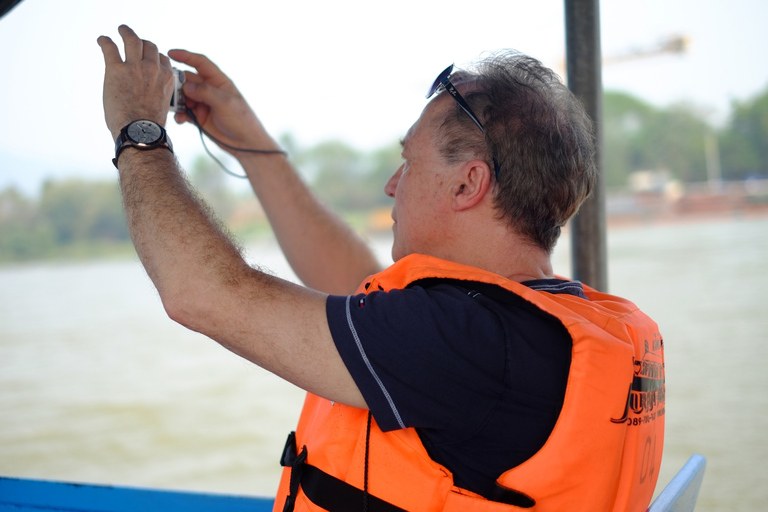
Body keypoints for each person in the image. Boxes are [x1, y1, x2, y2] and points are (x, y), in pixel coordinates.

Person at [98, 25, 665, 512]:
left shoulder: (464, 343)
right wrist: (250, 142)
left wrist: (137, 130)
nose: (392, 185)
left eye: (407, 162)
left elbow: (200, 294)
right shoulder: (523, 329)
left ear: (469, 183)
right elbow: (354, 282)